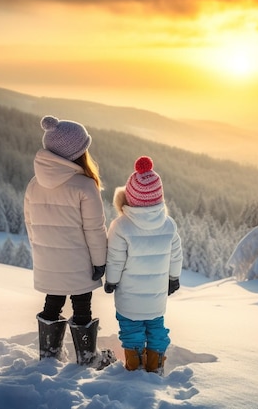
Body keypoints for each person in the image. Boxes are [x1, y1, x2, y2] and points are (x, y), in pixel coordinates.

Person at [24, 115, 115, 369]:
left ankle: (49, 356)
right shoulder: (85, 186)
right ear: (77, 153)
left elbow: (31, 227)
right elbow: (95, 230)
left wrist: (43, 256)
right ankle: (88, 359)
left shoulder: (33, 185)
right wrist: (100, 262)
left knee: (52, 303)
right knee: (81, 306)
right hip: (78, 263)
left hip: (48, 262)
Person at [104, 156, 183, 375]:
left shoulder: (121, 226)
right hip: (156, 296)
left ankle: (134, 365)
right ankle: (154, 365)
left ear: (130, 196)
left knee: (132, 330)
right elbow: (176, 255)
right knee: (156, 328)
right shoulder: (169, 224)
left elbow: (115, 259)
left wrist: (111, 280)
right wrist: (173, 278)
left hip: (129, 296)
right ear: (159, 196)